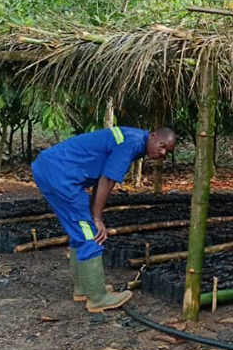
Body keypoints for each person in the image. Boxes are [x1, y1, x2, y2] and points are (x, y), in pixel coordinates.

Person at [31, 126, 176, 312]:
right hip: (62, 177)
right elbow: (107, 180)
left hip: (50, 169)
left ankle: (84, 288)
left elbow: (101, 178)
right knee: (90, 235)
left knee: (80, 231)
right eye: (162, 146)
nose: (162, 153)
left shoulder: (132, 137)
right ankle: (98, 298)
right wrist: (97, 218)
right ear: (153, 135)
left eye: (167, 152)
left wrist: (93, 214)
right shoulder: (131, 143)